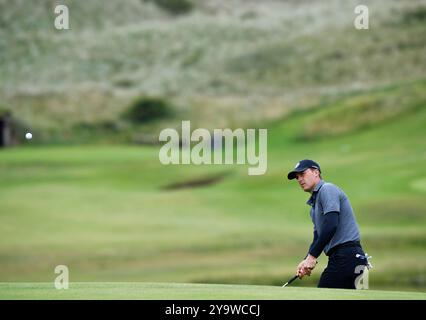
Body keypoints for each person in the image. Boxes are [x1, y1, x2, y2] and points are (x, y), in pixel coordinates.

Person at [287, 159, 369, 289]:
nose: (299, 179)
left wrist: (312, 257)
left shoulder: (327, 189)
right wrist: (306, 260)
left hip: (347, 256)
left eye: (302, 174)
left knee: (323, 293)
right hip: (345, 258)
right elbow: (318, 238)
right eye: (297, 177)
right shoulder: (313, 207)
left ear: (316, 172)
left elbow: (331, 225)